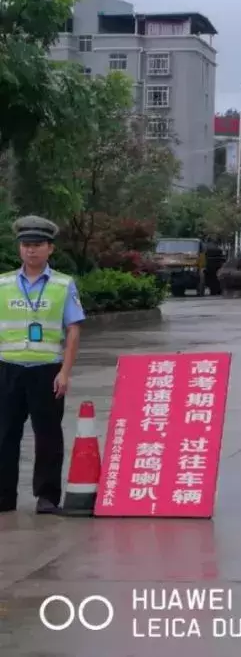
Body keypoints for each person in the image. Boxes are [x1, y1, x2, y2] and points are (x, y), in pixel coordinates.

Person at [0, 216, 86, 514]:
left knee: (48, 434)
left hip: (47, 370)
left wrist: (65, 372)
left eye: (37, 245)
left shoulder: (63, 284)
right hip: (8, 368)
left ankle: (47, 497)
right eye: (26, 245)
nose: (31, 251)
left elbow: (73, 328)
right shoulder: (3, 283)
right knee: (4, 433)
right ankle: (3, 497)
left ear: (50, 248)